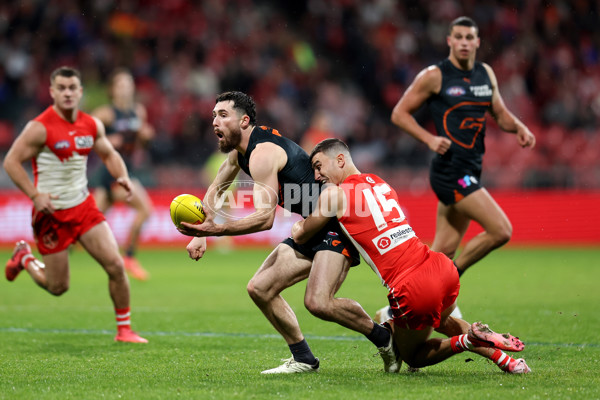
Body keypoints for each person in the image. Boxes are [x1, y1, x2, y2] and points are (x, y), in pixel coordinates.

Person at [177, 91, 400, 374]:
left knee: (319, 302)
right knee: (259, 288)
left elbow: (264, 219)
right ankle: (304, 359)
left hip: (333, 224)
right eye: (213, 116)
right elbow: (218, 186)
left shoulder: (262, 154)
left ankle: (384, 338)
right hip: (310, 226)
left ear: (244, 121)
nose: (214, 122)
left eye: (223, 116)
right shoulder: (240, 154)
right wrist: (200, 232)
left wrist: (218, 230)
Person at [292, 138, 531, 373]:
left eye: (318, 166)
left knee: (413, 357)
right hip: (440, 268)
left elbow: (303, 234)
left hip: (412, 286)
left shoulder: (334, 194)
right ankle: (508, 361)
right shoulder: (380, 183)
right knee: (444, 322)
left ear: (340, 160)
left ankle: (468, 341)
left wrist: (296, 228)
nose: (316, 175)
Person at [377, 16, 537, 323]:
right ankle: (445, 282)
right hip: (450, 170)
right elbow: (400, 113)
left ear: (477, 42)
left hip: (471, 167)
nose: (464, 42)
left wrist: (518, 128)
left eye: (469, 37)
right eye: (459, 37)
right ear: (450, 41)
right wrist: (429, 139)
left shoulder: (485, 74)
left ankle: (396, 308)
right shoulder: (435, 76)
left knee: (443, 249)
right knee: (501, 230)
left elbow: (500, 114)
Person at [3, 66, 147, 344]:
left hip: (83, 207)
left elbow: (109, 153)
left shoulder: (91, 124)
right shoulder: (39, 127)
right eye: (62, 88)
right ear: (52, 92)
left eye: (72, 88)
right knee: (58, 287)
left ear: (80, 92)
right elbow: (11, 161)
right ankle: (25, 258)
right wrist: (35, 195)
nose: (67, 93)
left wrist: (123, 176)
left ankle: (124, 331)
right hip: (51, 214)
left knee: (116, 266)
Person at [91, 68, 154, 281]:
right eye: (121, 84)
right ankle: (127, 257)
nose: (126, 88)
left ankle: (127, 257)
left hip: (127, 170)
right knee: (143, 209)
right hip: (110, 172)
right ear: (113, 90)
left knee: (91, 222)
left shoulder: (139, 111)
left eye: (129, 84)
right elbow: (84, 136)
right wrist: (107, 141)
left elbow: (141, 141)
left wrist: (146, 137)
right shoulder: (105, 113)